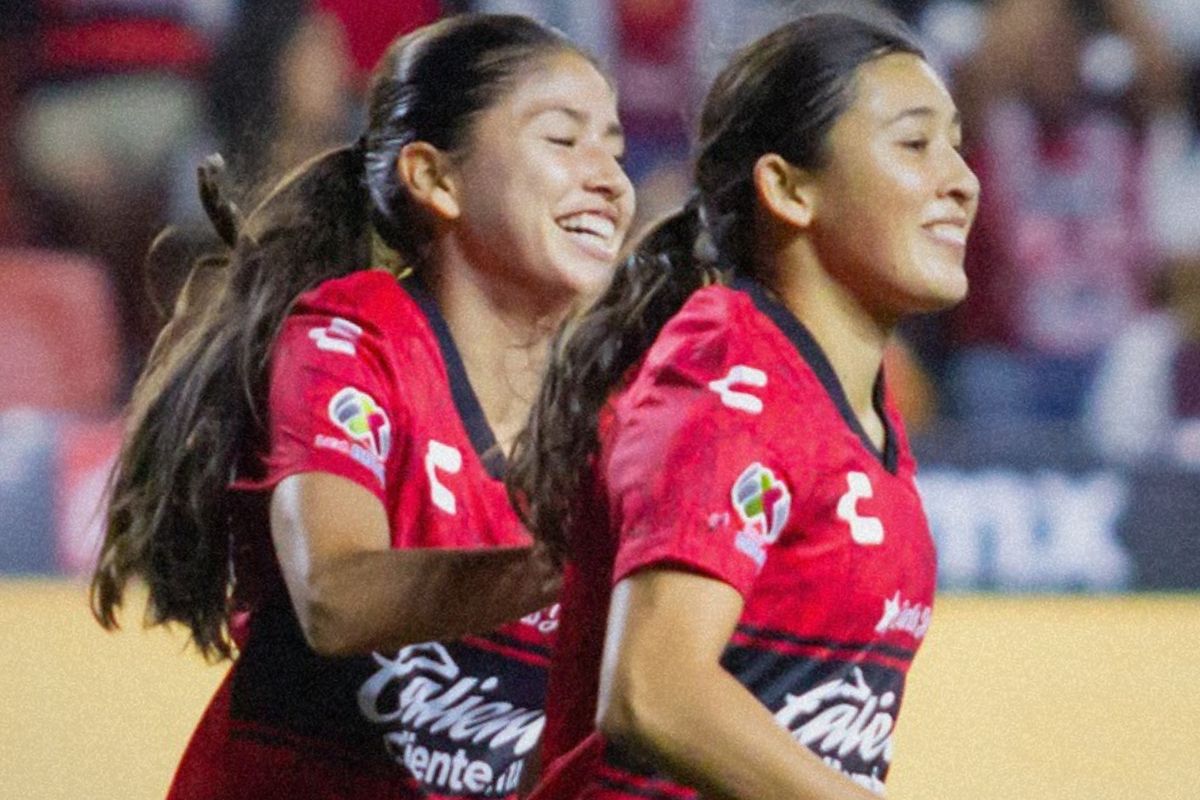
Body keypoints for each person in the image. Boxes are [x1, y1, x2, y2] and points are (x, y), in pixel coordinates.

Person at [89, 13, 633, 800]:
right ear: (433, 178)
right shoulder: (352, 337)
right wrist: (572, 565)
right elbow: (334, 597)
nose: (610, 178)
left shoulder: (616, 410)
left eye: (614, 147)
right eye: (563, 139)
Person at [508, 9, 979, 799]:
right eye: (914, 143)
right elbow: (652, 692)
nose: (961, 180)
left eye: (957, 144)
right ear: (789, 188)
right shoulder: (729, 379)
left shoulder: (850, 402)